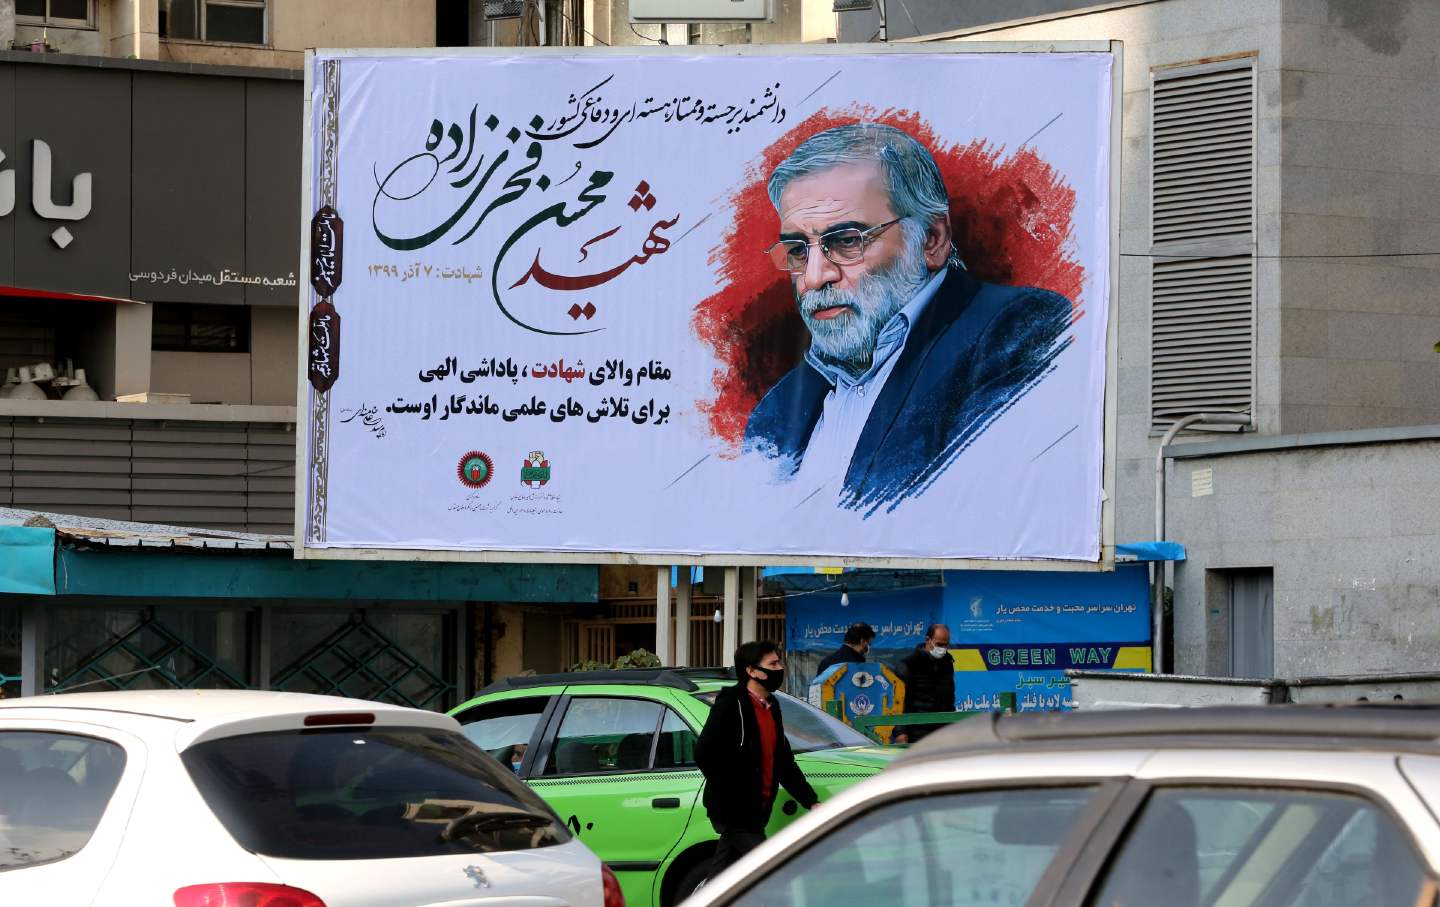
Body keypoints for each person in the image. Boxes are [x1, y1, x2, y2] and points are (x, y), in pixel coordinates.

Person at [745, 123, 1075, 511]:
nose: (815, 278)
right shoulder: (776, 411)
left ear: (932, 240)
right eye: (798, 251)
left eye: (848, 240)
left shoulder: (1020, 332)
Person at [696, 641, 819, 881]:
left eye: (779, 662)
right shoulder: (731, 703)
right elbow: (704, 753)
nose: (780, 668)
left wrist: (810, 801)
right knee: (769, 872)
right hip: (734, 811)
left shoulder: (771, 706)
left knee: (724, 878)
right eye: (773, 664)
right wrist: (732, 792)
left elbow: (783, 761)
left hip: (757, 811)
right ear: (752, 671)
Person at [893, 624, 955, 745]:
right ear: (928, 640)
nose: (943, 648)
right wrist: (900, 732)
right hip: (916, 733)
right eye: (939, 644)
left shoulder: (948, 663)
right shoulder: (908, 664)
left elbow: (950, 698)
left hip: (942, 732)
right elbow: (898, 702)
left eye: (946, 645)